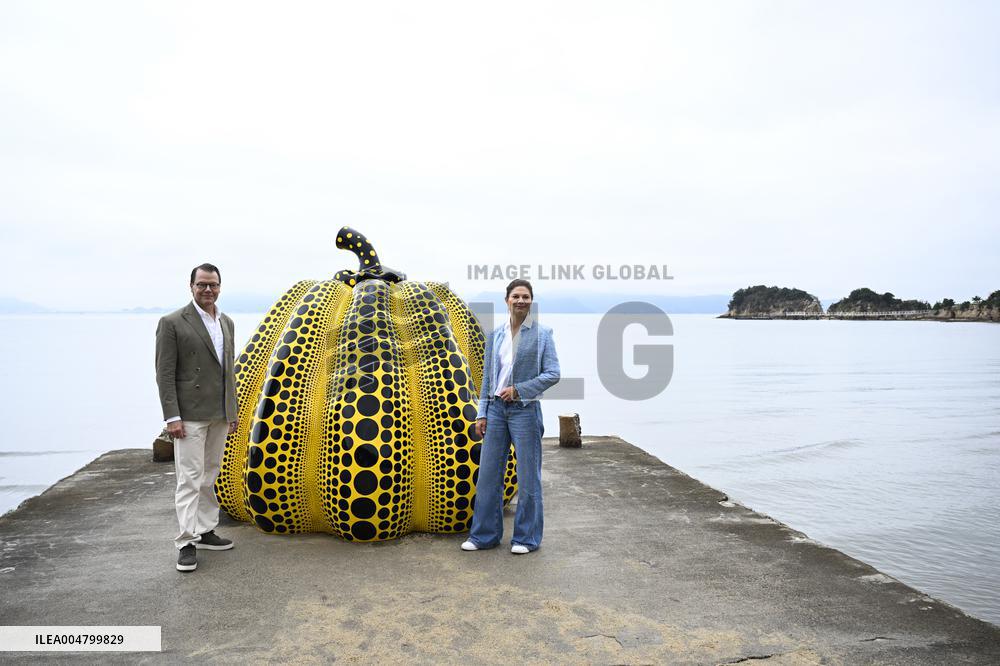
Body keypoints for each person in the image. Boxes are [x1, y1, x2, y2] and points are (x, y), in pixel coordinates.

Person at [462, 279, 560, 554]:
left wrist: (519, 390)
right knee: (489, 476)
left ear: (531, 301)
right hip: (494, 410)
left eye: (526, 296)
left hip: (525, 412)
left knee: (528, 477)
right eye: (516, 296)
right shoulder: (495, 335)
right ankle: (484, 536)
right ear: (507, 300)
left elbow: (553, 373)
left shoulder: (542, 334)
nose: (521, 300)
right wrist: (482, 413)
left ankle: (526, 539)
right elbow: (486, 378)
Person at [155, 263, 238, 572]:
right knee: (189, 479)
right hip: (188, 415)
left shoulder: (227, 322)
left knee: (210, 475)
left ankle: (205, 530)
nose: (207, 290)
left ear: (219, 287)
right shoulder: (172, 322)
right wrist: (172, 417)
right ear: (191, 286)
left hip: (219, 412)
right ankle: (186, 541)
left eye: (213, 285)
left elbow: (229, 371)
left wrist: (233, 410)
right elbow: (164, 374)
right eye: (202, 284)